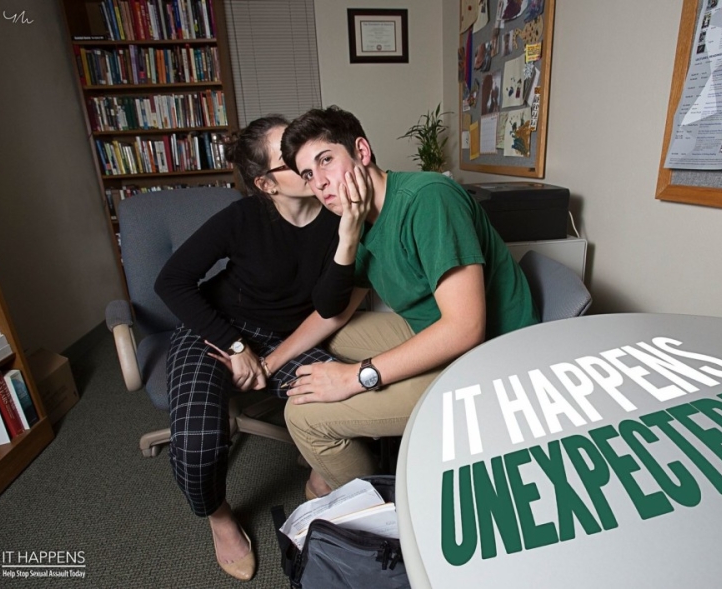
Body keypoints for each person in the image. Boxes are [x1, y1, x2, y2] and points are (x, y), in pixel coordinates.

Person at [274, 105, 539, 499]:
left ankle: (379, 508)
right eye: (309, 175)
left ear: (361, 151)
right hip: (434, 329)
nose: (320, 183)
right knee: (335, 337)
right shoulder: (360, 218)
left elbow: (466, 328)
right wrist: (270, 361)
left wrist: (354, 378)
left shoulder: (428, 198)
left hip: (488, 362)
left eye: (325, 160)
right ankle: (341, 454)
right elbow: (334, 313)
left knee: (302, 417)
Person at [153, 115, 370, 581]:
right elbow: (171, 281)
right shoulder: (242, 217)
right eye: (289, 158)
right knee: (197, 442)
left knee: (351, 405)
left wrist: (271, 359)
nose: (305, 159)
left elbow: (333, 306)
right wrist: (234, 345)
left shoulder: (340, 212)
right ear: (267, 184)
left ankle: (319, 472)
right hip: (216, 328)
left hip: (287, 335)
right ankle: (219, 517)